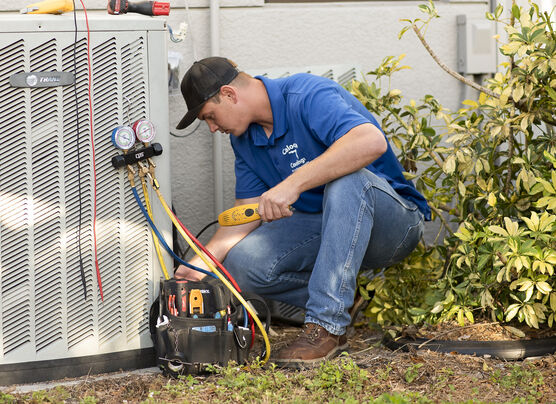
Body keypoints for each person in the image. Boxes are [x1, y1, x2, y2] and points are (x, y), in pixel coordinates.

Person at [174, 57, 430, 368]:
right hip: (327, 226)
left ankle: (326, 328)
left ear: (228, 94)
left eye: (210, 117)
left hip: (392, 225)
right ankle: (340, 300)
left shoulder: (307, 95)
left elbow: (370, 141)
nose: (214, 128)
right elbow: (247, 214)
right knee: (242, 262)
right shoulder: (245, 140)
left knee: (347, 180)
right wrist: (202, 262)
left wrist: (293, 184)